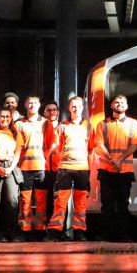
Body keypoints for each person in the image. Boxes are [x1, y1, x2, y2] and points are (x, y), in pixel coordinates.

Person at [95, 95, 137, 242]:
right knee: (106, 205)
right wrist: (111, 159)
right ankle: (105, 234)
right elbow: (100, 145)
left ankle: (123, 235)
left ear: (126, 106)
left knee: (123, 205)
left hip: (124, 171)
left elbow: (135, 145)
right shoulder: (102, 124)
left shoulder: (133, 124)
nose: (119, 104)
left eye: (122, 102)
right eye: (116, 102)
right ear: (111, 106)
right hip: (106, 171)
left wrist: (119, 159)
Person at [48, 96, 93, 241]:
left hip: (82, 168)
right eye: (73, 106)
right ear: (69, 108)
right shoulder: (62, 126)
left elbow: (91, 147)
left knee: (81, 202)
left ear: (82, 107)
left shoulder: (88, 126)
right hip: (65, 168)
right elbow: (57, 148)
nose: (76, 109)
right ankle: (55, 231)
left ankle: (79, 231)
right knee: (60, 201)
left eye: (78, 106)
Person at [16, 96, 55, 238]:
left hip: (41, 167)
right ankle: (25, 229)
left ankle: (40, 229)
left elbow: (51, 143)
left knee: (41, 200)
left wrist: (45, 157)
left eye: (35, 103)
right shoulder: (19, 124)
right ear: (25, 105)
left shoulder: (46, 123)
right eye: (29, 103)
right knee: (25, 200)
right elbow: (17, 146)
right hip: (25, 167)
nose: (32, 105)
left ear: (39, 105)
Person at [0, 108, 23, 242]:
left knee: (11, 201)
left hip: (11, 168)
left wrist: (10, 168)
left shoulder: (16, 134)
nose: (5, 119)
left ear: (11, 119)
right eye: (2, 116)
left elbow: (18, 153)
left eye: (7, 116)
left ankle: (11, 233)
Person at [41, 101, 61, 225]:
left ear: (58, 112)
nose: (52, 112)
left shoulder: (63, 126)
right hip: (44, 167)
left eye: (54, 110)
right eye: (49, 110)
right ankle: (45, 227)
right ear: (44, 113)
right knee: (45, 199)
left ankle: (60, 229)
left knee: (59, 199)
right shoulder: (40, 126)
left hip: (59, 167)